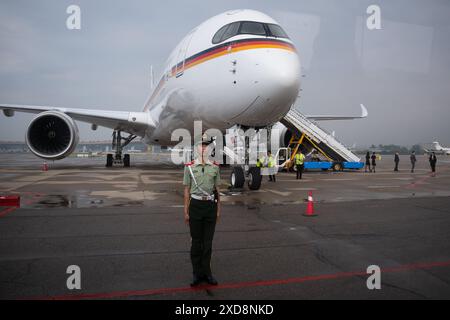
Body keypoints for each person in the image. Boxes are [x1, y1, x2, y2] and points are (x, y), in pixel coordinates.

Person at [183, 141, 221, 287]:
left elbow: (217, 191)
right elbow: (186, 190)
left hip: (210, 207)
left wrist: (218, 210)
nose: (204, 147)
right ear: (196, 148)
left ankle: (207, 273)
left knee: (208, 243)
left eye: (206, 145)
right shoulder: (189, 167)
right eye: (201, 145)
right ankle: (196, 273)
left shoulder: (215, 167)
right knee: (196, 243)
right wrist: (185, 211)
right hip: (196, 206)